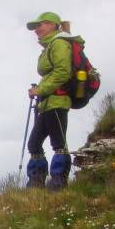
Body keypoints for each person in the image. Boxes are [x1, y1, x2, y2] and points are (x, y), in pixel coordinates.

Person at [25, 11, 82, 190]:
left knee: (58, 143)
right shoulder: (50, 46)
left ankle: (58, 182)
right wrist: (38, 91)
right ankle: (37, 182)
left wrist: (40, 89)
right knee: (34, 144)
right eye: (35, 27)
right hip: (46, 102)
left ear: (51, 24)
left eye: (39, 25)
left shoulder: (59, 43)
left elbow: (63, 72)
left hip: (57, 101)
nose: (36, 30)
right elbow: (54, 73)